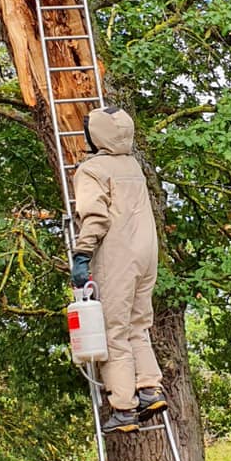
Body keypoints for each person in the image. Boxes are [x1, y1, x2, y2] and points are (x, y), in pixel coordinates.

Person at [70, 106, 167, 433]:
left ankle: (124, 408)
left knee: (114, 331)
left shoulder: (93, 170)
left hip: (119, 255)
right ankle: (149, 389)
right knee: (138, 324)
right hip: (146, 255)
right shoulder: (133, 166)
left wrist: (82, 255)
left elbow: (95, 218)